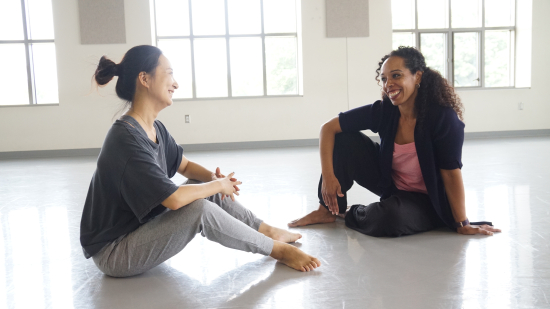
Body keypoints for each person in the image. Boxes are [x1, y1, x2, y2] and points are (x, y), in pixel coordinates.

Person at [80, 45, 320, 277]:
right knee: (199, 207)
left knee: (201, 186)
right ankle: (277, 250)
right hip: (114, 252)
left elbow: (184, 166)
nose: (176, 84)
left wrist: (214, 179)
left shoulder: (154, 128)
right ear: (144, 79)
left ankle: (265, 230)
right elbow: (173, 200)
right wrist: (217, 185)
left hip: (138, 231)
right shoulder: (126, 138)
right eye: (169, 74)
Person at [289, 46, 501, 237]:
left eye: (396, 76)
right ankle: (326, 211)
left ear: (417, 77)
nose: (388, 84)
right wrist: (328, 176)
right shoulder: (385, 111)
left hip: (427, 199)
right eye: (384, 79)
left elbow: (451, 172)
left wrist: (461, 222)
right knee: (345, 138)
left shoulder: (443, 118)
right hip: (390, 184)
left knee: (390, 218)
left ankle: (355, 213)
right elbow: (328, 128)